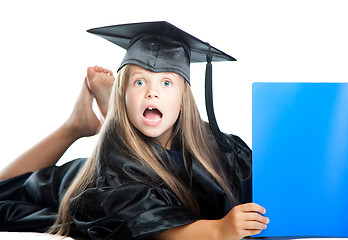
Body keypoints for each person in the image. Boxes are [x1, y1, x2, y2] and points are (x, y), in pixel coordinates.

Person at [0, 21, 269, 240]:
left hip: (146, 153)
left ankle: (114, 122)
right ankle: (78, 124)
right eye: (140, 82)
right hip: (89, 178)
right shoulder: (115, 179)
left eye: (166, 82)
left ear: (184, 101)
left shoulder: (221, 147)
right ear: (124, 95)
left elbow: (264, 181)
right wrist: (218, 230)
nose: (152, 92)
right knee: (6, 191)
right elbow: (152, 224)